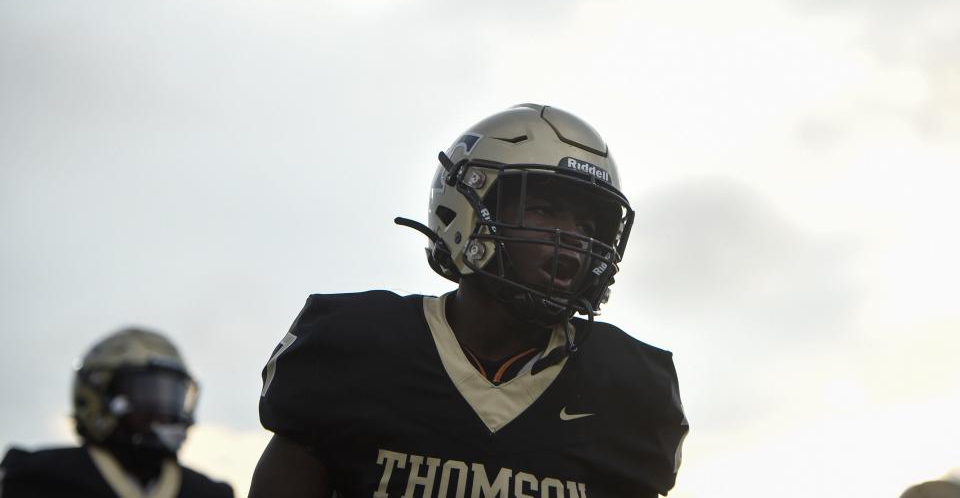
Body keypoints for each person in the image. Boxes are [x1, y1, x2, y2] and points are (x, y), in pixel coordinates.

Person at [250, 103, 689, 498]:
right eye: (543, 209)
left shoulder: (627, 388)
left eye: (587, 225)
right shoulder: (359, 346)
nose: (572, 240)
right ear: (470, 204)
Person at [0, 327, 234, 498]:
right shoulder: (37, 478)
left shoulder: (208, 492)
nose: (163, 413)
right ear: (98, 399)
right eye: (148, 394)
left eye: (171, 397)